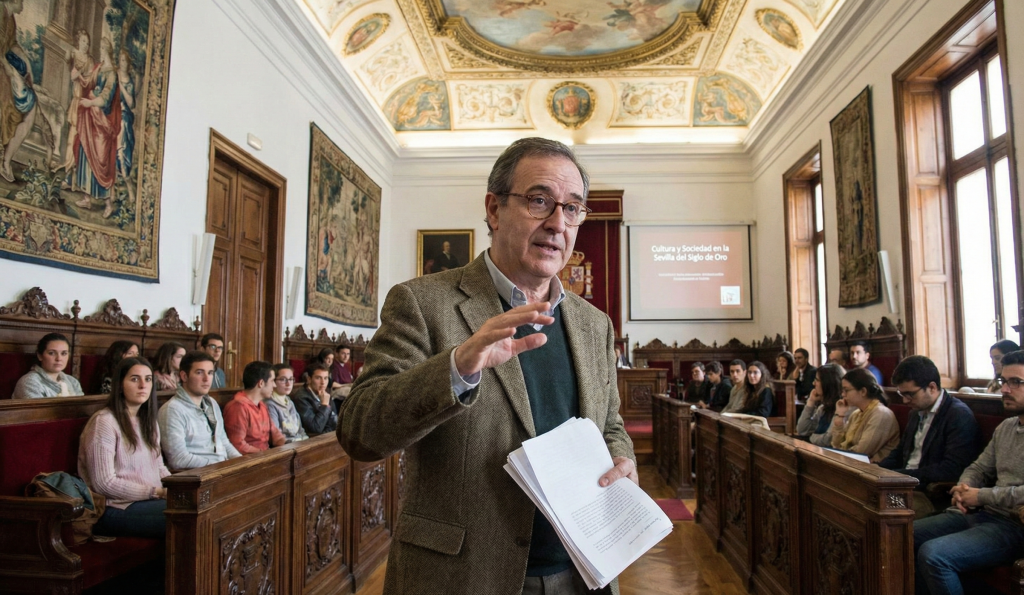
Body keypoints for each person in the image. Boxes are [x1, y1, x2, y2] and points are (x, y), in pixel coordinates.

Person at [338, 138, 635, 594]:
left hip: (583, 572)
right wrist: (456, 368)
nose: (558, 224)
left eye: (572, 208)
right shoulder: (423, 303)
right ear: (494, 210)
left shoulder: (594, 324)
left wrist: (621, 456)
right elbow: (360, 431)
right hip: (463, 576)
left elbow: (610, 422)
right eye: (539, 201)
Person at [913, 349, 1024, 595]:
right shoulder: (1006, 427)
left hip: (1015, 525)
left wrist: (980, 496)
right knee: (905, 534)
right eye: (1003, 381)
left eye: (1016, 382)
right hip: (984, 513)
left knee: (934, 555)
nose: (1005, 389)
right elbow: (978, 467)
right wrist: (964, 488)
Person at [879, 355, 981, 518]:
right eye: (901, 394)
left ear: (932, 387)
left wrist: (900, 475)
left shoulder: (958, 415)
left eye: (910, 394)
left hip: (930, 494)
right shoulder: (915, 412)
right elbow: (900, 452)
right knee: (859, 498)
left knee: (878, 509)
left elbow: (951, 469)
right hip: (903, 484)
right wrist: (877, 470)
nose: (905, 401)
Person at [78, 357, 169, 538]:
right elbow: (104, 483)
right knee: (188, 517)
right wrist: (156, 492)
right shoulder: (104, 422)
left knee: (203, 507)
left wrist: (179, 488)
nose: (143, 385)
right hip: (114, 508)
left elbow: (159, 467)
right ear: (120, 385)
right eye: (135, 379)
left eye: (148, 379)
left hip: (149, 501)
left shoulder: (148, 421)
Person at [158, 351, 241, 470]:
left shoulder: (211, 403)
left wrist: (241, 462)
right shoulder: (172, 410)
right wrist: (220, 466)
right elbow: (178, 459)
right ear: (184, 376)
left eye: (210, 373)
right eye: (199, 372)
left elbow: (223, 441)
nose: (207, 379)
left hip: (220, 470)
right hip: (199, 475)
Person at [830, 368, 899, 462]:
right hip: (853, 463)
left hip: (874, 467)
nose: (843, 394)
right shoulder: (856, 414)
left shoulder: (881, 414)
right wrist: (840, 416)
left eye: (846, 390)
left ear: (863, 391)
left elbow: (861, 453)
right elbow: (836, 445)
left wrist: (839, 454)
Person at [223, 361, 286, 454]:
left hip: (265, 456)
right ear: (261, 383)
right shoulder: (238, 407)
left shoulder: (261, 404)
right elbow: (238, 445)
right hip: (252, 460)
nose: (275, 385)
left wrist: (286, 446)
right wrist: (265, 454)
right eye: (272, 381)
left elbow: (276, 435)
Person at [12, 332, 84, 399]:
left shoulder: (73, 381)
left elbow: (82, 407)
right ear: (40, 356)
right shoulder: (29, 382)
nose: (59, 358)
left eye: (64, 353)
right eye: (51, 353)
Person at [795, 363, 844, 446]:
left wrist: (811, 437)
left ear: (828, 383)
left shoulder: (842, 408)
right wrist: (810, 402)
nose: (813, 383)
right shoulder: (823, 408)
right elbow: (802, 430)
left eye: (817, 380)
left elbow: (827, 440)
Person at [266, 364, 309, 443]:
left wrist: (306, 441)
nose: (288, 384)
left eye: (291, 379)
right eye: (283, 379)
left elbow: (300, 430)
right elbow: (277, 437)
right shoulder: (270, 404)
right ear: (273, 381)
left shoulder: (289, 402)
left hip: (299, 443)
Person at [293, 363, 337, 436]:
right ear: (309, 379)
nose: (323, 382)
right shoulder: (301, 398)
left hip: (328, 436)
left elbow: (334, 421)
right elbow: (315, 428)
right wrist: (324, 405)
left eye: (325, 378)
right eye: (318, 378)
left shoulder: (325, 393)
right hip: (313, 439)